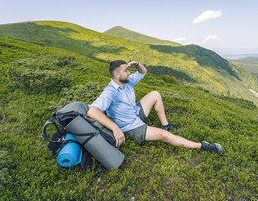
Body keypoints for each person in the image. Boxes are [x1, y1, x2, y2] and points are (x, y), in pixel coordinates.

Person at [87, 60, 222, 155]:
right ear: (117, 74)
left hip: (134, 113)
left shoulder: (126, 82)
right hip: (129, 126)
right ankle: (203, 146)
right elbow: (92, 111)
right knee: (164, 136)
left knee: (155, 94)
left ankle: (165, 124)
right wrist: (115, 128)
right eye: (126, 70)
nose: (129, 73)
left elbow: (143, 72)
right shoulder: (110, 92)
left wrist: (138, 65)